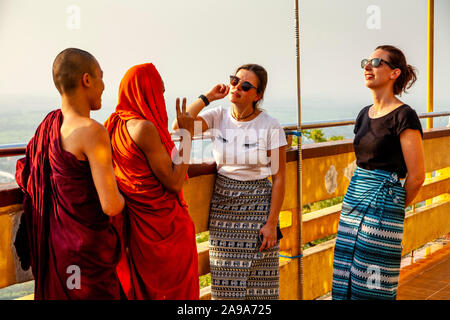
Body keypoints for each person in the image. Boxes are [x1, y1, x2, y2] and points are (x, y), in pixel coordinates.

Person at [14, 48, 125, 300]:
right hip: (85, 255)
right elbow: (110, 205)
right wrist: (128, 194)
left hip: (55, 250)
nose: (104, 86)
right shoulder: (93, 131)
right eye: (101, 77)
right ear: (87, 79)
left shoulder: (48, 125)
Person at [173, 63, 287, 300]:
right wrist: (208, 97)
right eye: (234, 81)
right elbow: (179, 128)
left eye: (245, 86)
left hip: (258, 209)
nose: (236, 87)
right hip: (224, 208)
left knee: (260, 290)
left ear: (257, 95)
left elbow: (279, 179)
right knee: (226, 289)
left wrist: (271, 223)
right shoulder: (218, 117)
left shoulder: (270, 125)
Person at [332, 45, 425, 300]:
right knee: (345, 269)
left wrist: (393, 208)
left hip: (383, 205)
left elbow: (416, 176)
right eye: (366, 61)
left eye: (376, 62)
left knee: (372, 276)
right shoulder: (364, 114)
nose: (367, 66)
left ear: (395, 73)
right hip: (354, 200)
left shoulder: (404, 116)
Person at [104, 63, 199, 300]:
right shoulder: (143, 128)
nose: (162, 98)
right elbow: (175, 182)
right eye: (160, 91)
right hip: (167, 232)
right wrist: (187, 136)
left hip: (138, 233)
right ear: (146, 92)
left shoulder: (113, 125)